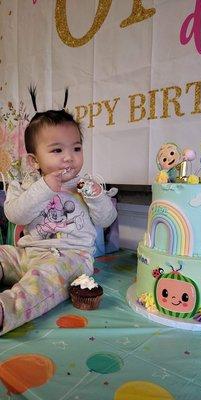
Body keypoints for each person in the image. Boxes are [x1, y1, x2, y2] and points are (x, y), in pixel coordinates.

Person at [0, 89, 117, 335]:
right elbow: (15, 215)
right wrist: (43, 189)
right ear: (34, 161)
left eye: (76, 148)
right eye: (57, 151)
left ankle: (7, 310)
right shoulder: (24, 186)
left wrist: (96, 196)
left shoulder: (86, 186)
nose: (69, 158)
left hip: (70, 259)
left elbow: (107, 219)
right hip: (26, 253)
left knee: (43, 280)